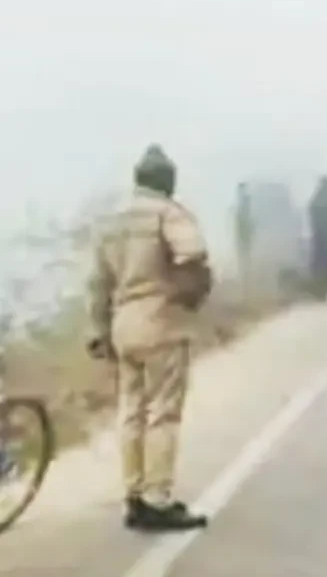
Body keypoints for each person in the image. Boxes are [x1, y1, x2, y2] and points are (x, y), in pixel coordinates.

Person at [86, 144, 212, 532]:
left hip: (124, 325)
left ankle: (134, 496)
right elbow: (192, 254)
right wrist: (192, 294)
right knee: (163, 412)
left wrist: (98, 331)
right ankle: (159, 499)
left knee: (131, 412)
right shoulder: (168, 213)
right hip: (162, 322)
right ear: (166, 180)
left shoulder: (110, 222)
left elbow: (97, 283)